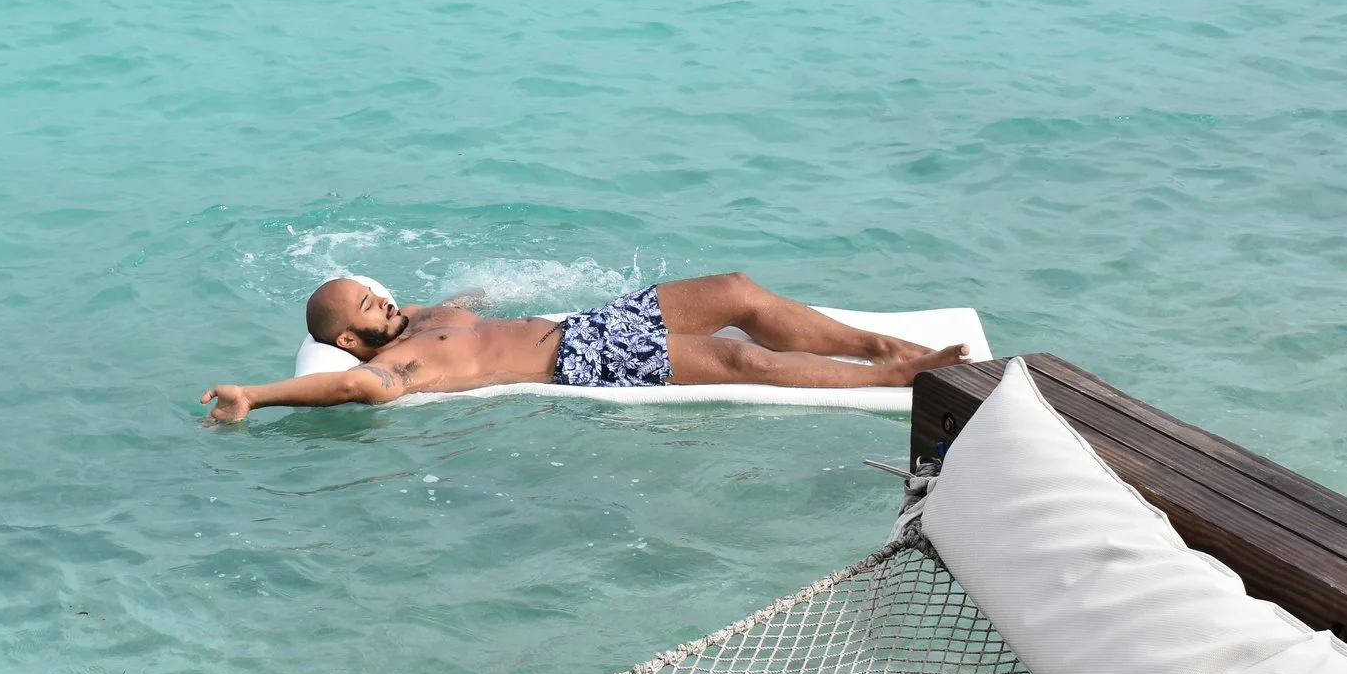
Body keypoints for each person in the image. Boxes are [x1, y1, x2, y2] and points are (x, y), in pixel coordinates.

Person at [201, 273, 966, 423]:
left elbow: (469, 302)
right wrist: (255, 395)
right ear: (346, 339)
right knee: (741, 359)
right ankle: (900, 375)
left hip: (591, 321)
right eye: (368, 305)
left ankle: (883, 344)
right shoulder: (400, 362)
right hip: (579, 359)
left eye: (375, 290)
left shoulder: (425, 315)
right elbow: (355, 390)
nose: (383, 299)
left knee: (736, 291)